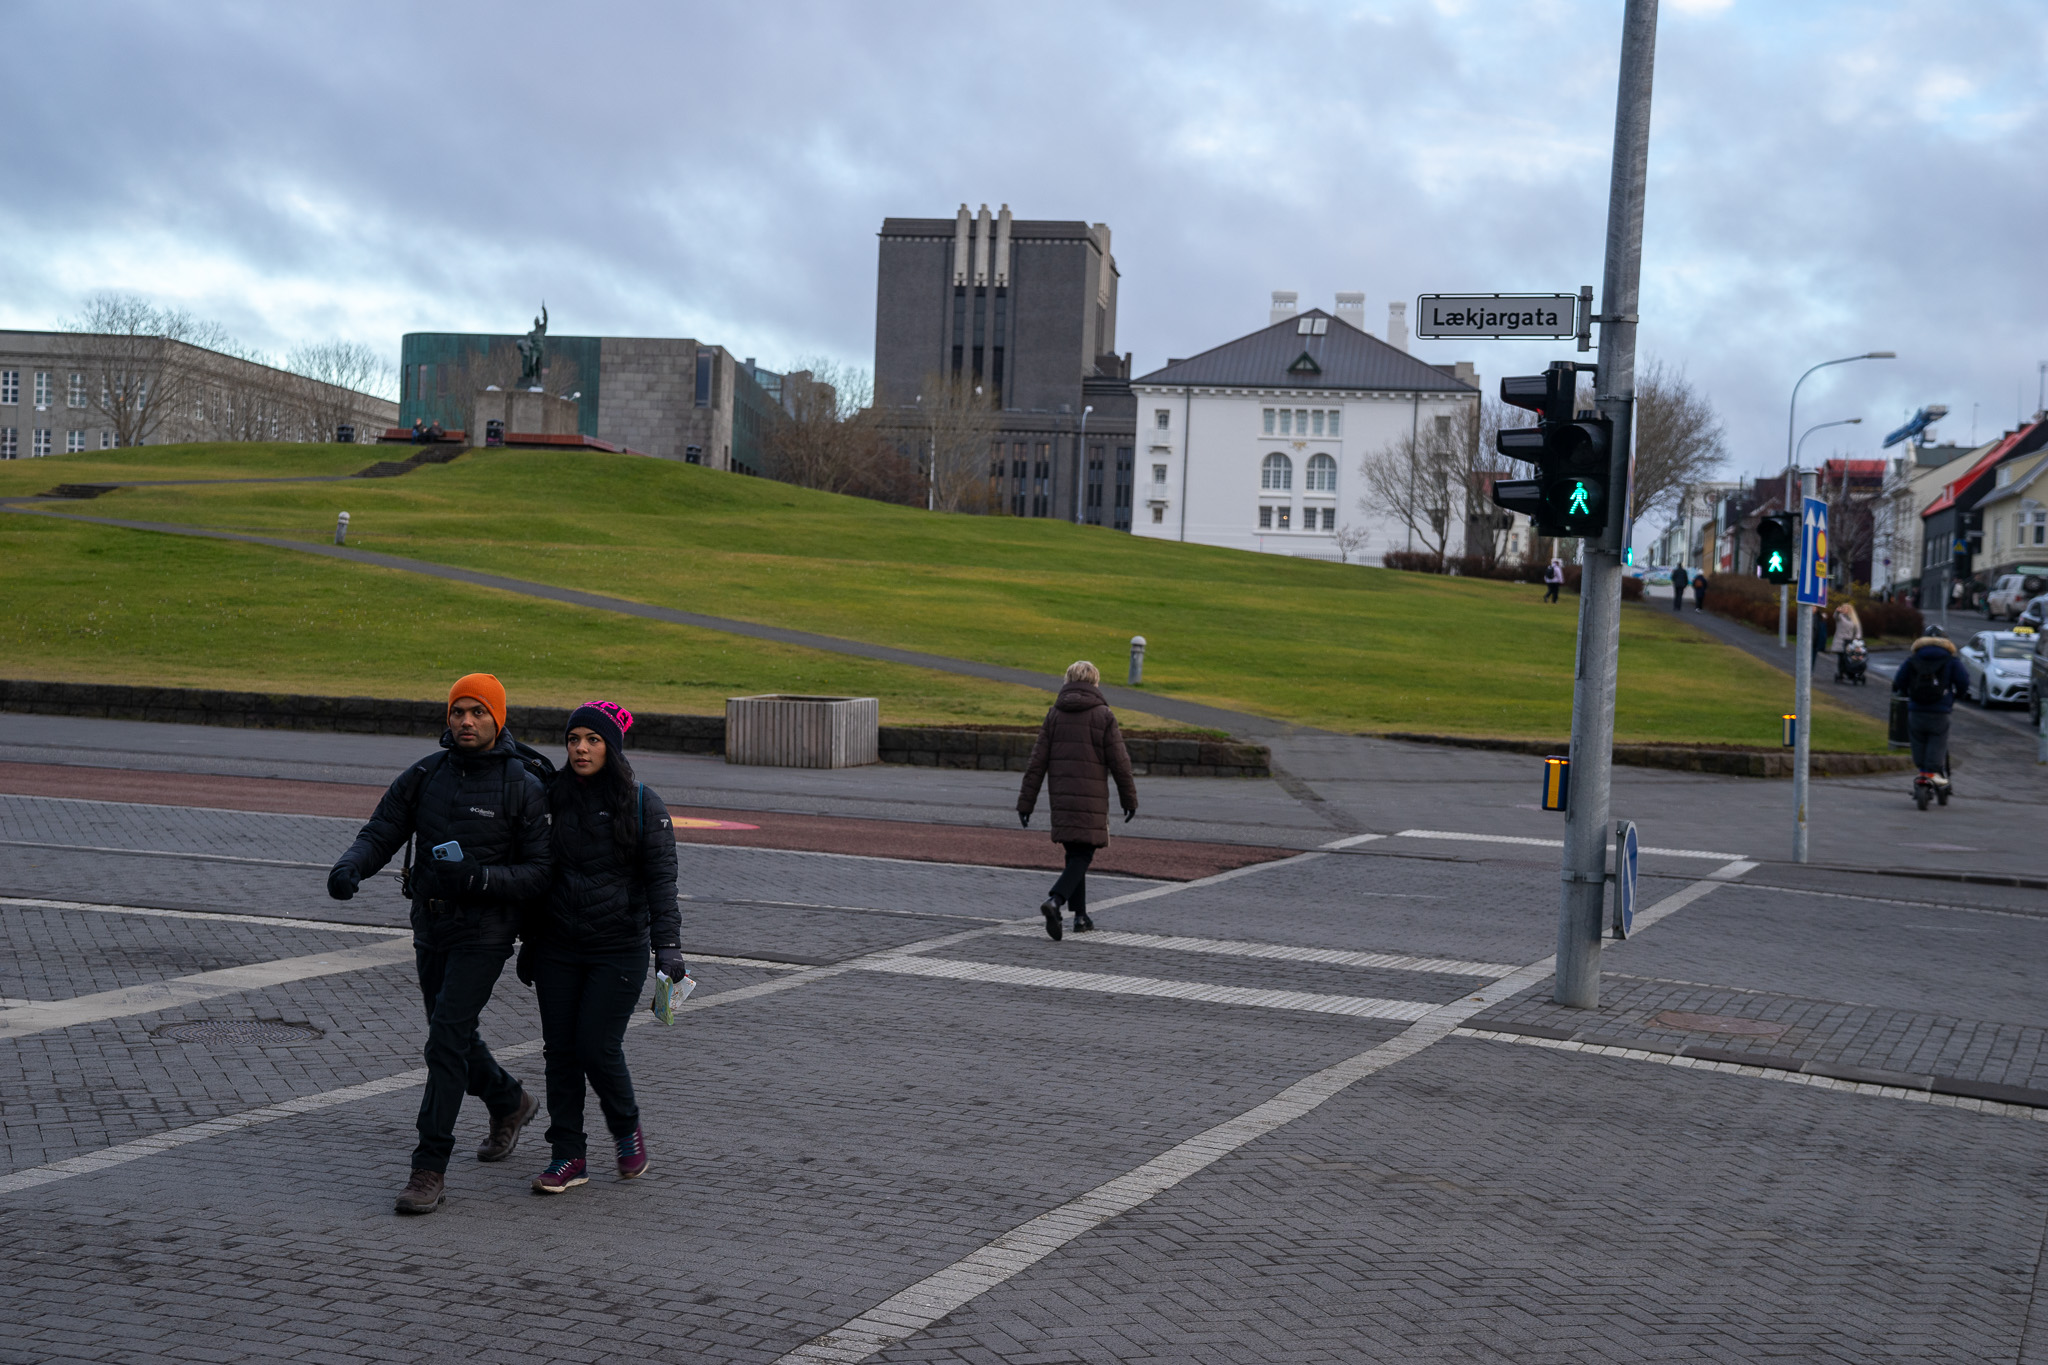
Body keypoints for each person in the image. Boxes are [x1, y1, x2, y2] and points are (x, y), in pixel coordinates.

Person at [327, 673, 554, 1215]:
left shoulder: (522, 784)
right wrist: (350, 867)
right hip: (430, 924)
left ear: (498, 719)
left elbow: (540, 873)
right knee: (449, 1035)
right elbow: (382, 830)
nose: (467, 721)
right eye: (459, 712)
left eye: (478, 712)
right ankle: (509, 1101)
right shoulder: (425, 774)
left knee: (445, 1041)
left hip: (487, 929)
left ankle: (429, 1168)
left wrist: (479, 878)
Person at [523, 701, 683, 1196]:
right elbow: (535, 875)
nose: (581, 749)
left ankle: (625, 1127)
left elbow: (662, 883)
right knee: (561, 1055)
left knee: (596, 1045)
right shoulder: (549, 797)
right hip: (557, 947)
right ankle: (567, 1154)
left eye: (593, 740)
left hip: (618, 948)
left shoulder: (641, 803)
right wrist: (529, 941)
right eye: (574, 740)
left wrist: (669, 947)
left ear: (610, 747)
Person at [1017, 661, 1137, 941]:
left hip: (1061, 796)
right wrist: (1129, 798)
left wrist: (1026, 803)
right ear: (1095, 682)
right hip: (1091, 798)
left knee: (1074, 854)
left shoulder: (1054, 715)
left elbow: (1037, 763)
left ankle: (1081, 917)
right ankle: (1056, 900)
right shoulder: (1104, 715)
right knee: (1083, 855)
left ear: (1067, 680)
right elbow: (1120, 763)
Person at [1891, 626, 1971, 789]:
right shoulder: (1951, 660)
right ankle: (1932, 773)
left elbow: (1899, 681)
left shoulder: (1912, 659)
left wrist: (1905, 692)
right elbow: (1963, 681)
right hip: (1940, 710)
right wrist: (1958, 695)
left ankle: (1922, 771)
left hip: (1916, 709)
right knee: (1938, 739)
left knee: (1918, 739)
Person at [1832, 600, 1864, 678]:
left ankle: (1850, 672)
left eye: (1845, 608)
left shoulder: (1854, 619)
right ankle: (1841, 672)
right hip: (1840, 641)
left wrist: (1857, 638)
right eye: (1843, 608)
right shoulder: (1840, 617)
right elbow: (1835, 616)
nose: (1843, 610)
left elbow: (1858, 630)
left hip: (1850, 641)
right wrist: (1837, 611)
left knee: (1850, 658)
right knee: (1841, 658)